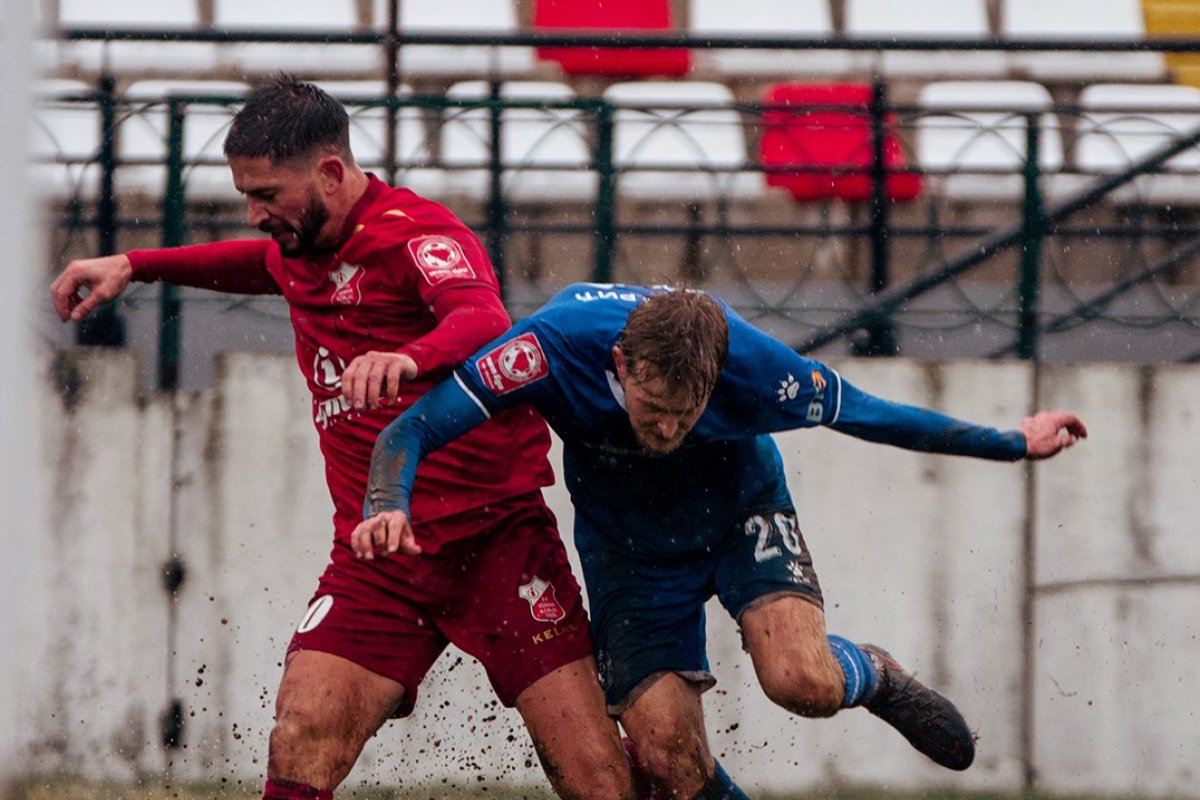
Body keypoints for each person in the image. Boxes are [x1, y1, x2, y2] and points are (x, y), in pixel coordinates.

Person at [49, 76, 637, 800]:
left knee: (597, 780)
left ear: (330, 172)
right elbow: (254, 263)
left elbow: (483, 318)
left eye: (267, 195)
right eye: (246, 195)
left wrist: (410, 357)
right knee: (301, 737)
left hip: (498, 539)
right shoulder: (301, 245)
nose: (255, 213)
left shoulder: (417, 234)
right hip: (378, 553)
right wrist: (135, 265)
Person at [354, 283, 1088, 800]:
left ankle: (874, 673)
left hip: (738, 512)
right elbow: (410, 429)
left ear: (716, 382)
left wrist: (1010, 443)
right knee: (670, 758)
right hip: (628, 550)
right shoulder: (549, 348)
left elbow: (868, 413)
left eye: (685, 412)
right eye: (652, 408)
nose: (667, 429)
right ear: (620, 366)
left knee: (800, 683)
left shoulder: (757, 366)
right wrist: (388, 504)